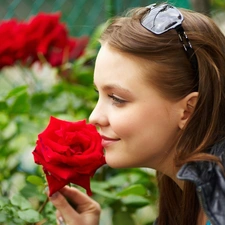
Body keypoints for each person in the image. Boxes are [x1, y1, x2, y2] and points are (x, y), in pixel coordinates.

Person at [49, 3, 225, 225]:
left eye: (117, 99)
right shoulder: (189, 199)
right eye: (99, 94)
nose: (94, 117)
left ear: (188, 110)